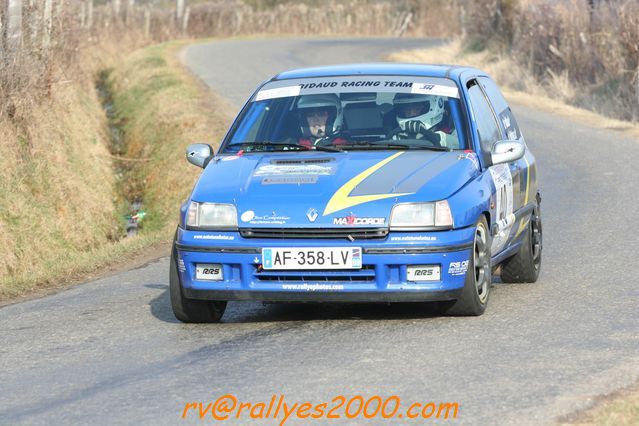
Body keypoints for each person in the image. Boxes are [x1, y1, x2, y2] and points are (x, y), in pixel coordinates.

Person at [388, 93, 456, 147]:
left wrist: (441, 138)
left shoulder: (453, 129)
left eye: (417, 108)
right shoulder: (394, 134)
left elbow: (461, 146)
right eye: (406, 109)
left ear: (435, 105)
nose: (410, 112)